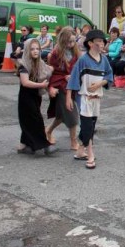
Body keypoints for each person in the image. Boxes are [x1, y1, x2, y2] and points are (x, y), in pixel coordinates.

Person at [66, 30, 113, 170]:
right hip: (84, 98)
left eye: (102, 41)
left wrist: (100, 84)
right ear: (91, 43)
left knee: (91, 126)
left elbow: (109, 76)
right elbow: (74, 78)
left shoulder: (104, 59)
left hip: (97, 98)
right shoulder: (83, 60)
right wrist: (68, 97)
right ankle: (90, 154)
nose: (101, 43)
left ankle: (80, 151)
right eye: (98, 41)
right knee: (87, 126)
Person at [16, 39, 56, 156]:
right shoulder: (23, 65)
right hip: (26, 96)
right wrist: (42, 85)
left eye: (37, 49)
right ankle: (44, 145)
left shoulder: (40, 63)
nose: (35, 51)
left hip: (35, 96)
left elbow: (48, 70)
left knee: (29, 120)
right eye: (32, 49)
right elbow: (25, 82)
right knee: (36, 120)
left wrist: (53, 69)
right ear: (28, 50)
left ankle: (24, 145)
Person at [45, 27, 80, 152]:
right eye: (69, 42)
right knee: (72, 114)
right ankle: (73, 142)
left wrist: (73, 76)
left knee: (60, 116)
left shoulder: (75, 51)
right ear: (63, 40)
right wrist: (51, 87)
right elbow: (52, 73)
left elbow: (78, 68)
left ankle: (47, 131)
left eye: (73, 41)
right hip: (60, 86)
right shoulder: (55, 53)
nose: (71, 44)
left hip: (72, 86)